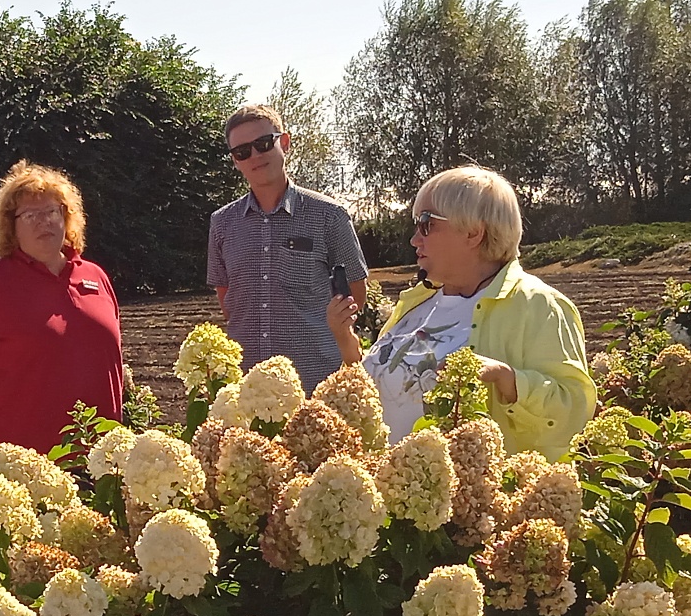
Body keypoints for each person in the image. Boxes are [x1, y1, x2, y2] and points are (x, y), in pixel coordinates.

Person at [328, 165, 596, 459]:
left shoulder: (539, 306)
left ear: (473, 233)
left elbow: (573, 410)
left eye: (426, 224)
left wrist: (507, 378)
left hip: (468, 498)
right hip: (394, 492)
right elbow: (384, 393)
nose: (414, 239)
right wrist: (346, 343)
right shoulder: (417, 302)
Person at [0, 161, 123, 454]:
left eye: (51, 211)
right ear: (11, 226)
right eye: (30, 214)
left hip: (102, 469)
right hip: (21, 477)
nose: (43, 221)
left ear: (67, 217)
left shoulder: (95, 277)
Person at [207, 103, 369, 393]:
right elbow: (227, 300)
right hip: (248, 390)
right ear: (235, 161)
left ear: (285, 142)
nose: (254, 156)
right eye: (242, 151)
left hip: (315, 384)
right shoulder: (222, 223)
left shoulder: (329, 215)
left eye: (263, 144)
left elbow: (356, 293)